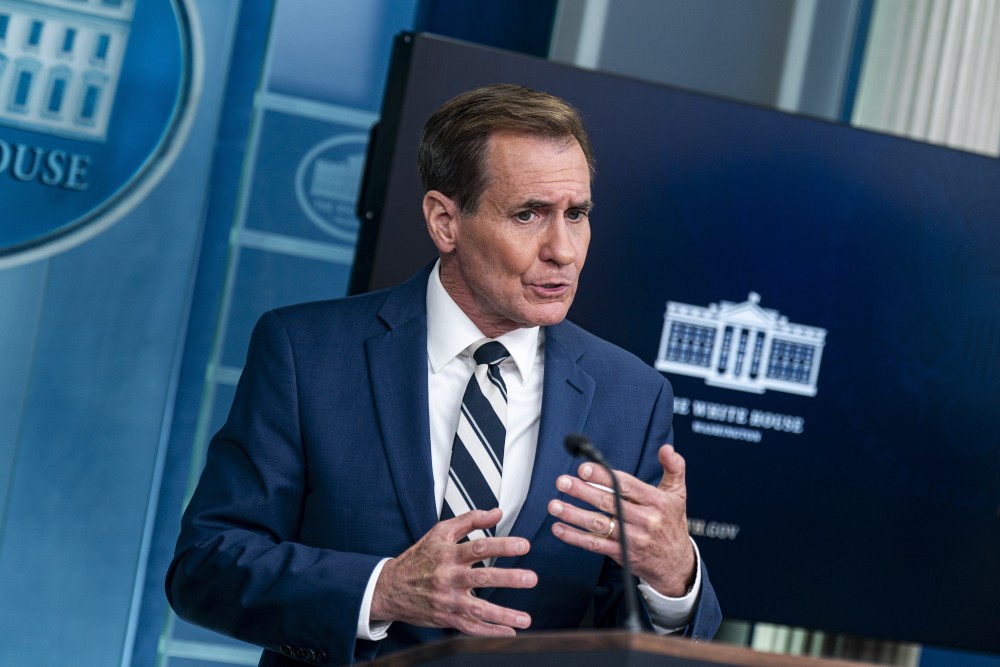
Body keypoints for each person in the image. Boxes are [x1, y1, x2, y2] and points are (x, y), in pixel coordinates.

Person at [167, 83, 721, 666]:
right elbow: (205, 566)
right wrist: (382, 590)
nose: (563, 250)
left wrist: (672, 577)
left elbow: (629, 641)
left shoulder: (631, 397)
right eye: (528, 214)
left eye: (576, 214)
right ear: (445, 221)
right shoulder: (306, 352)